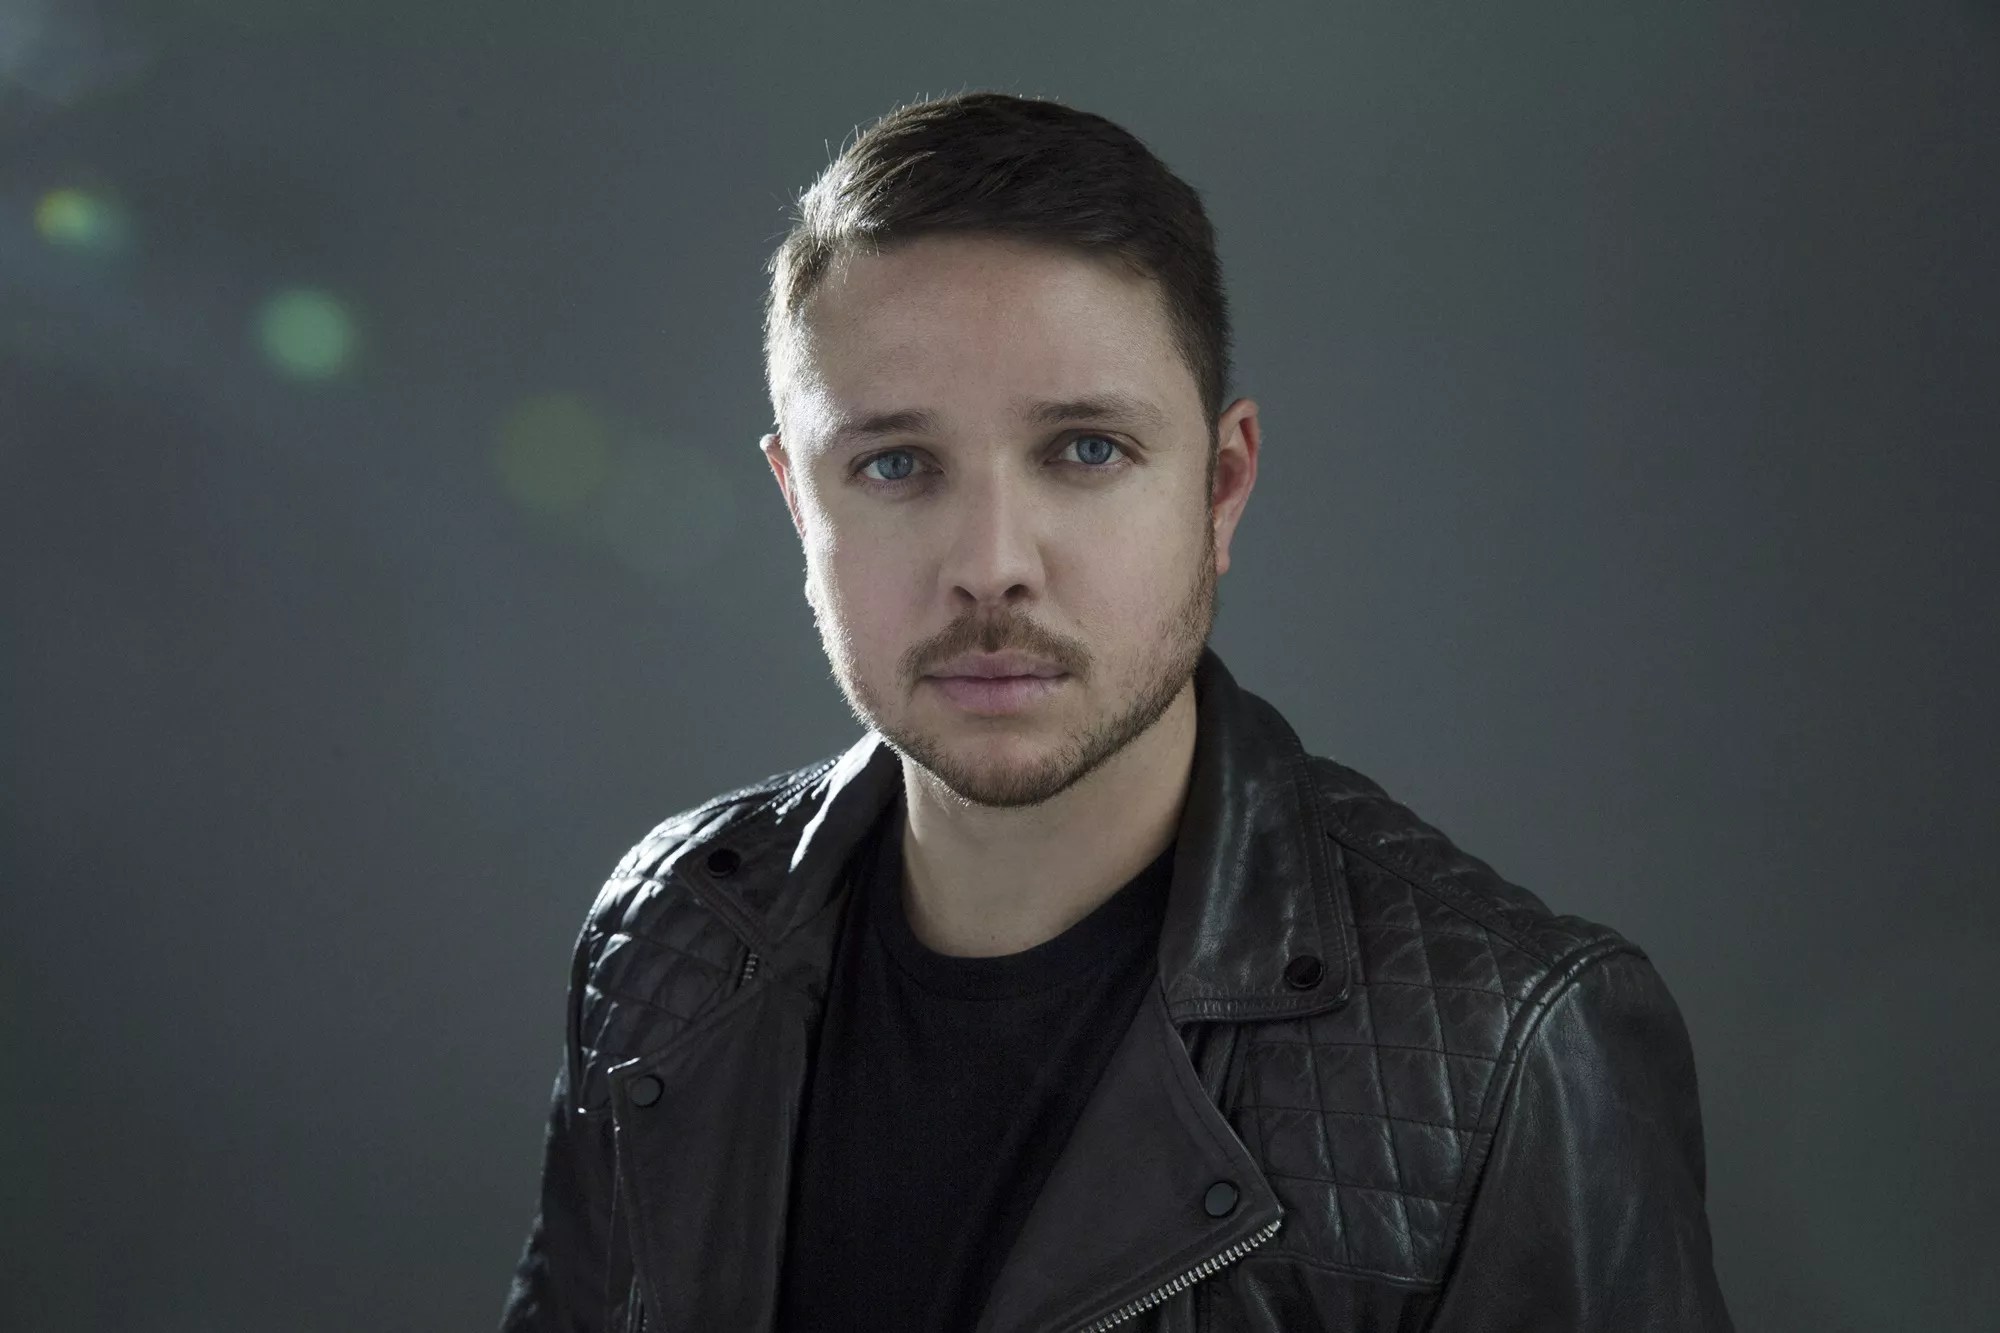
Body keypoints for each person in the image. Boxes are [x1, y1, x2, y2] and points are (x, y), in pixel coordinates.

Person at [498, 90, 1733, 1332]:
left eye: (1084, 449)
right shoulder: (663, 932)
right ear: (795, 505)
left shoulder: (1512, 1045)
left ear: (1221, 487)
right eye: (894, 464)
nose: (990, 565)